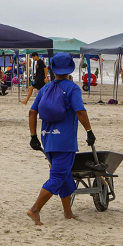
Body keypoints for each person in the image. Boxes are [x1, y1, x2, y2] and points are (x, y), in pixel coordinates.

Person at [27, 53, 95, 225]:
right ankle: (34, 209)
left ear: (52, 69)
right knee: (58, 176)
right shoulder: (72, 88)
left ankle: (68, 213)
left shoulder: (45, 89)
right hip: (64, 141)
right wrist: (89, 131)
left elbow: (32, 112)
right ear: (70, 69)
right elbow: (80, 111)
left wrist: (33, 136)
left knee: (65, 177)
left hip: (47, 140)